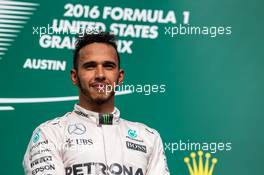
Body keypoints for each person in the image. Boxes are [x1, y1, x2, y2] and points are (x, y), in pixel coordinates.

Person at [23, 31, 170, 175]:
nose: (100, 75)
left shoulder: (148, 138)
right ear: (74, 76)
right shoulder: (49, 134)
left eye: (108, 66)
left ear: (120, 77)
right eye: (90, 66)